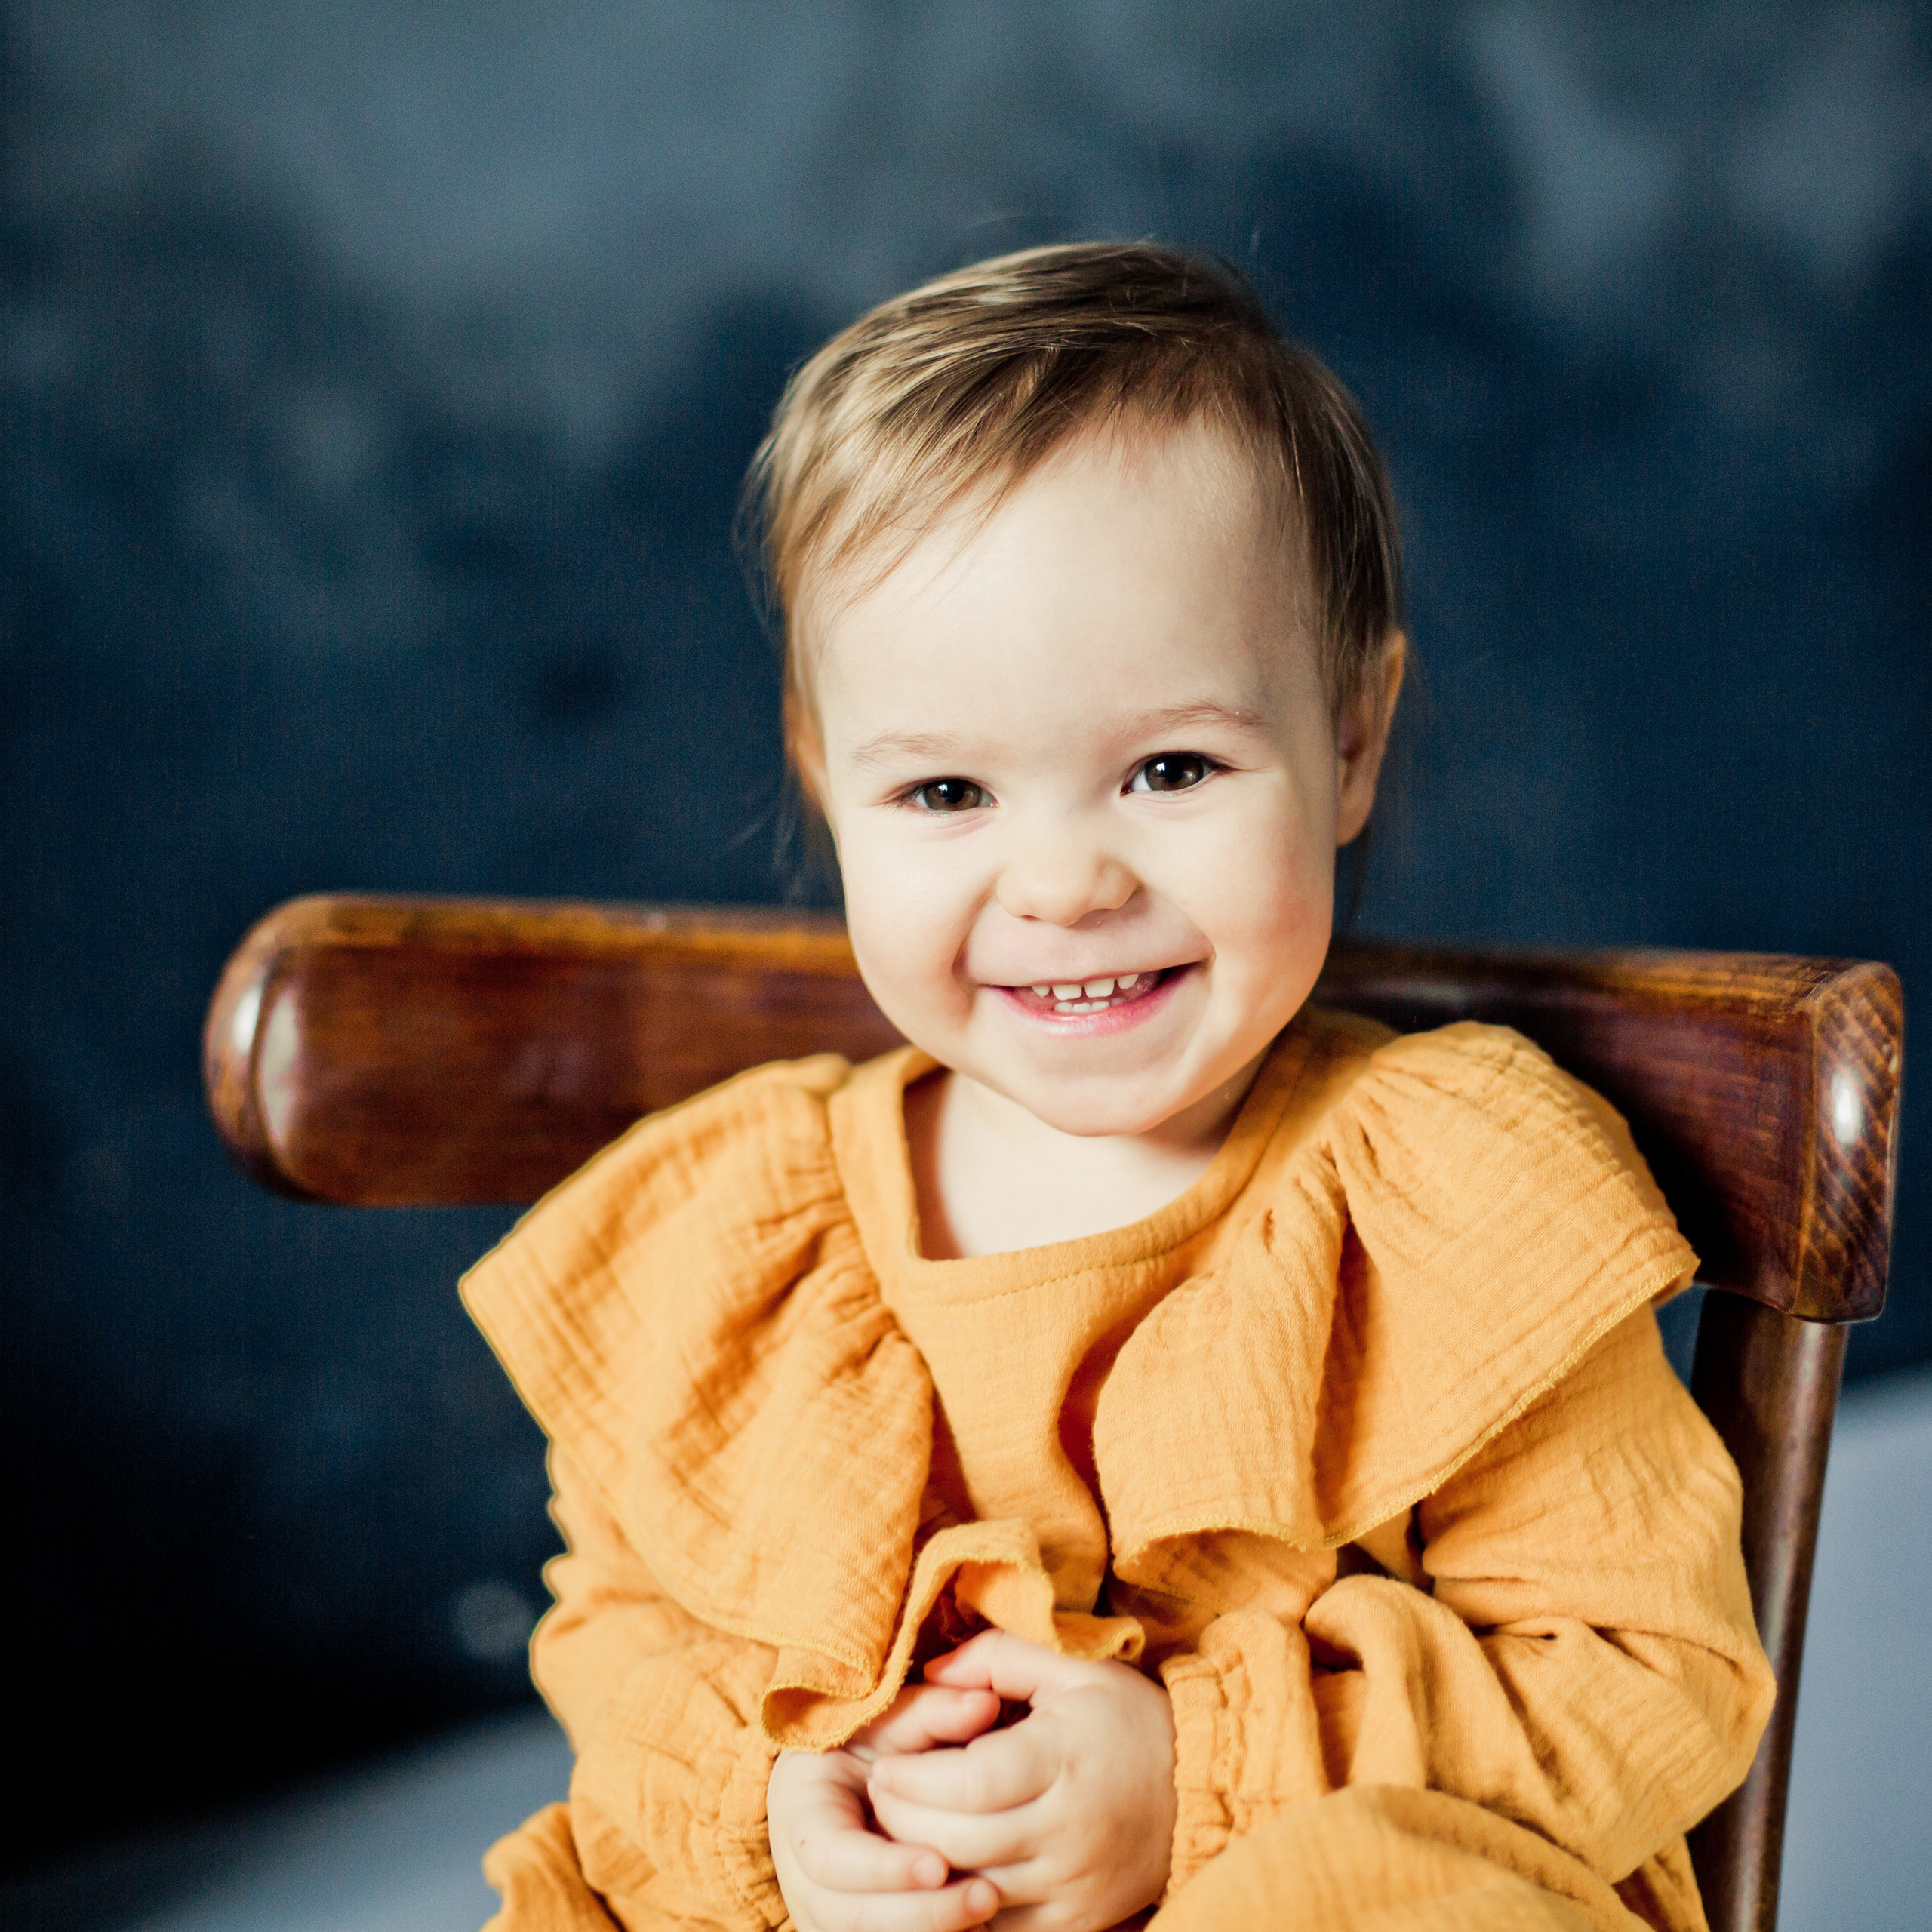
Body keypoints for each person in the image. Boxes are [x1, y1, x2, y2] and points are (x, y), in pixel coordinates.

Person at [462, 243, 1774, 1932]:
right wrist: (775, 1811)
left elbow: (1646, 1670)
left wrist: (1197, 1775)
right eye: (944, 789)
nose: (1064, 880)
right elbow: (620, 1622)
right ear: (824, 780)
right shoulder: (737, 1236)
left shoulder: (1438, 1206)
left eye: (1170, 767)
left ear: (1353, 736)